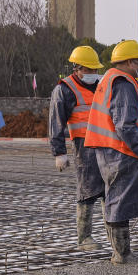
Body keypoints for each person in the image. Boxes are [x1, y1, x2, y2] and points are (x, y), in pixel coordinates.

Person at [84, 40, 138, 265]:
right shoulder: (124, 83)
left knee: (116, 199)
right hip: (119, 151)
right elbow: (124, 125)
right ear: (128, 62)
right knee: (119, 200)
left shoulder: (108, 78)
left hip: (109, 150)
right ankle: (122, 254)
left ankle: (121, 252)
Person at [48, 45, 106, 251]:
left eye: (95, 70)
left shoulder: (102, 85)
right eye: (89, 70)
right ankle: (84, 237)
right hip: (84, 145)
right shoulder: (64, 89)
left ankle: (114, 235)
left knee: (110, 189)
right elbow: (56, 122)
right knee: (87, 190)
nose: (93, 74)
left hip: (106, 144)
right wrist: (59, 153)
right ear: (77, 68)